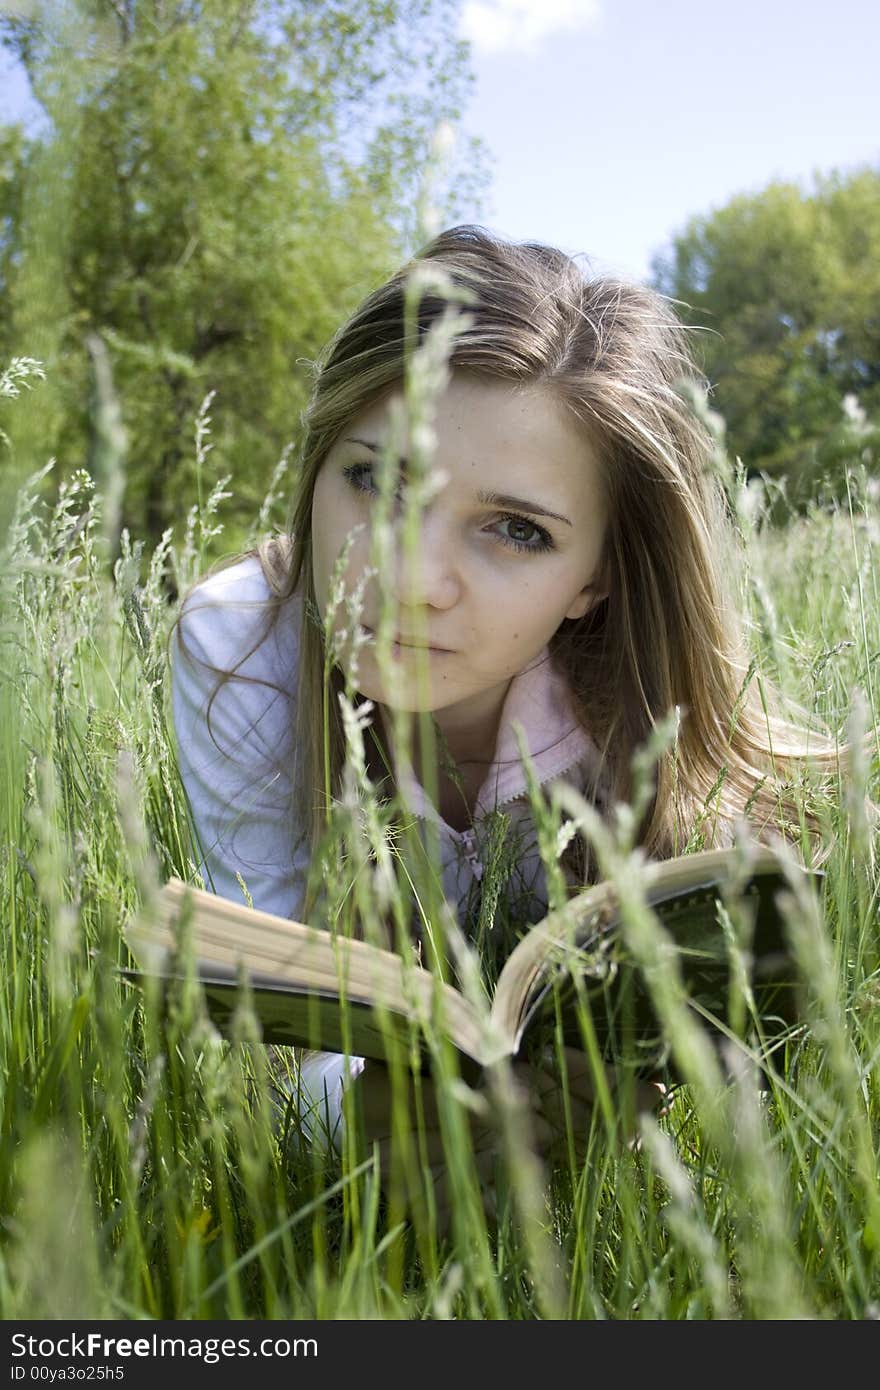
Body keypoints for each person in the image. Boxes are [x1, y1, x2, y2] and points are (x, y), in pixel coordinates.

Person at [170, 224, 843, 1219]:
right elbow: (269, 1016)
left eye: (516, 530)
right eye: (375, 478)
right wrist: (356, 1119)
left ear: (597, 577)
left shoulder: (633, 725)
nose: (409, 579)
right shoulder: (241, 650)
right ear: (316, 465)